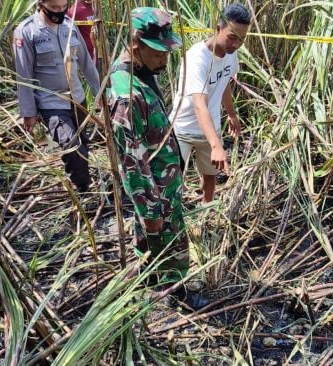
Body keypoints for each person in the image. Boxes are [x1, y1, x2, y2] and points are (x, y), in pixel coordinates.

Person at [108, 7, 208, 310]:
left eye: (167, 52)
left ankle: (150, 288)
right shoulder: (126, 95)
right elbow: (131, 164)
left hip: (163, 186)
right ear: (135, 44)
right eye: (157, 54)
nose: (164, 60)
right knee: (170, 245)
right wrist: (151, 213)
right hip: (154, 194)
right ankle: (173, 295)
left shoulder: (142, 72)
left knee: (152, 248)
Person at [14, 0, 100, 193]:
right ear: (40, 4)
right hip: (51, 102)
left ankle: (80, 179)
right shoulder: (27, 32)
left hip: (77, 99)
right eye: (54, 8)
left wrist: (100, 93)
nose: (59, 12)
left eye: (63, 8)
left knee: (83, 144)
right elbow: (23, 75)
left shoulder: (70, 26)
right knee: (72, 146)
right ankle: (82, 190)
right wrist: (28, 112)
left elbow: (87, 64)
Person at [170, 3, 250, 203]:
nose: (236, 44)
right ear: (218, 29)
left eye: (241, 39)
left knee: (210, 174)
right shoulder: (197, 58)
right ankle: (173, 217)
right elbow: (199, 104)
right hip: (183, 128)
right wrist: (216, 145)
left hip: (211, 127)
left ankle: (207, 211)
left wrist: (231, 115)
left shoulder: (232, 55)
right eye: (232, 37)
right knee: (172, 178)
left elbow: (224, 84)